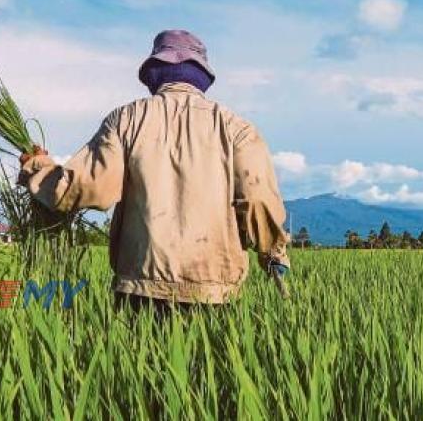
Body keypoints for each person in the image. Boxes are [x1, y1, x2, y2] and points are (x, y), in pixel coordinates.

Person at [17, 29, 290, 314]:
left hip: (141, 286)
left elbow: (86, 187)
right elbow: (258, 198)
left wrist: (37, 168)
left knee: (140, 358)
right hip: (215, 289)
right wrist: (273, 253)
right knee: (211, 359)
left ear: (154, 71)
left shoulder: (126, 119)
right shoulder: (237, 128)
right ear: (202, 74)